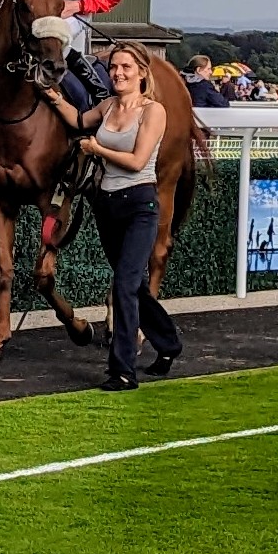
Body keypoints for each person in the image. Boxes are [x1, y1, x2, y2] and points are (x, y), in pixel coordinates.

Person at [43, 41, 182, 391]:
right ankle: (168, 343)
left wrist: (96, 148)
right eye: (114, 67)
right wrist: (52, 96)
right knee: (132, 284)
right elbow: (77, 119)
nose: (118, 73)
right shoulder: (106, 106)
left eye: (126, 67)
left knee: (123, 286)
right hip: (107, 205)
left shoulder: (154, 112)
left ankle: (122, 371)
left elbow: (137, 161)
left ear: (142, 73)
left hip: (140, 205)